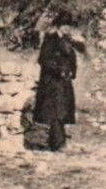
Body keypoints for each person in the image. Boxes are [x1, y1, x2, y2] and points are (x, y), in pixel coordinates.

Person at [33, 18, 85, 152]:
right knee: (55, 113)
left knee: (61, 113)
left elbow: (72, 57)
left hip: (63, 82)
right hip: (52, 82)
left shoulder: (66, 39)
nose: (69, 28)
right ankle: (58, 145)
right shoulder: (51, 39)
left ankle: (57, 143)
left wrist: (72, 72)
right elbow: (43, 59)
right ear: (60, 26)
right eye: (66, 25)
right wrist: (59, 70)